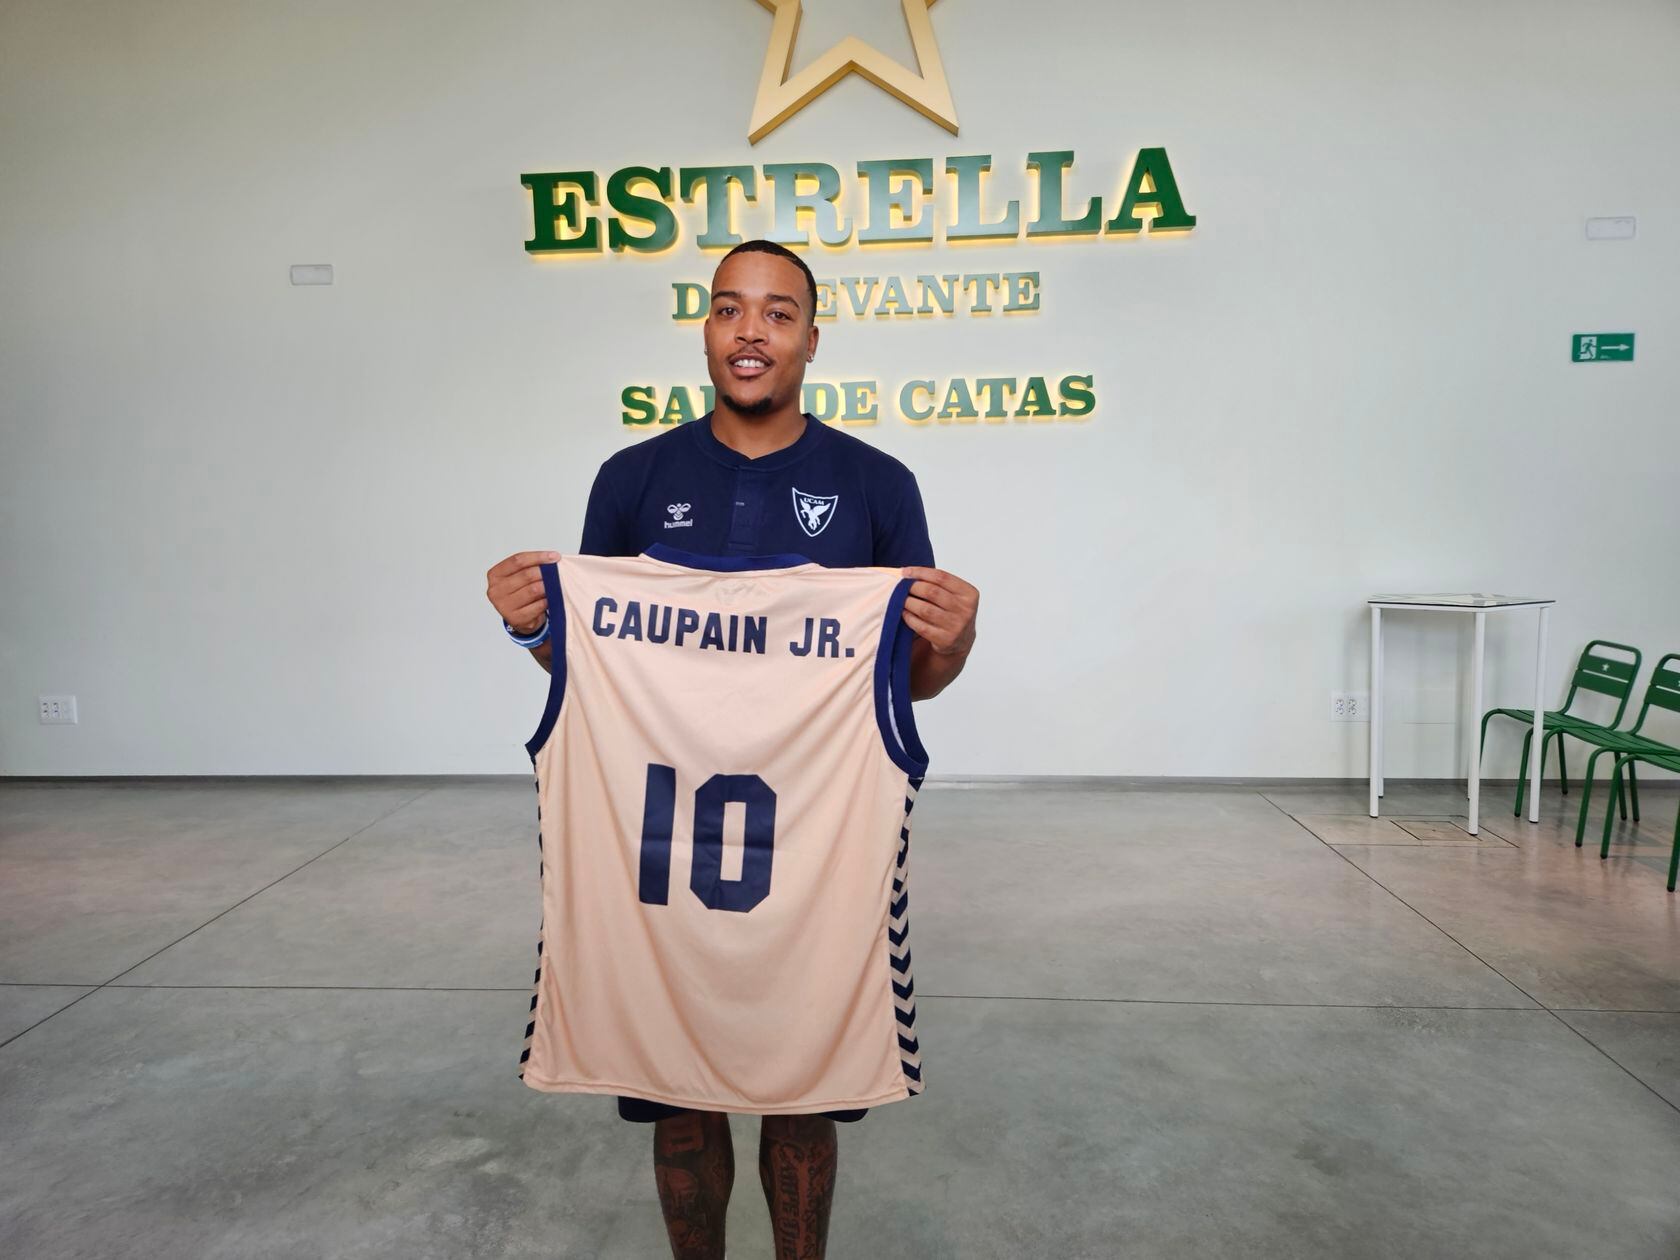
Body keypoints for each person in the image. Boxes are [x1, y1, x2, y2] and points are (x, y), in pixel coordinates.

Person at [486, 239, 979, 1260]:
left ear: (810, 339)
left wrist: (952, 641)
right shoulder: (632, 478)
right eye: (727, 308)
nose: (750, 330)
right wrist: (539, 629)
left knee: (804, 1091)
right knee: (676, 1090)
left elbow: (909, 684)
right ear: (705, 328)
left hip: (817, 854)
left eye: (777, 312)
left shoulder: (878, 484)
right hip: (660, 859)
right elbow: (599, 685)